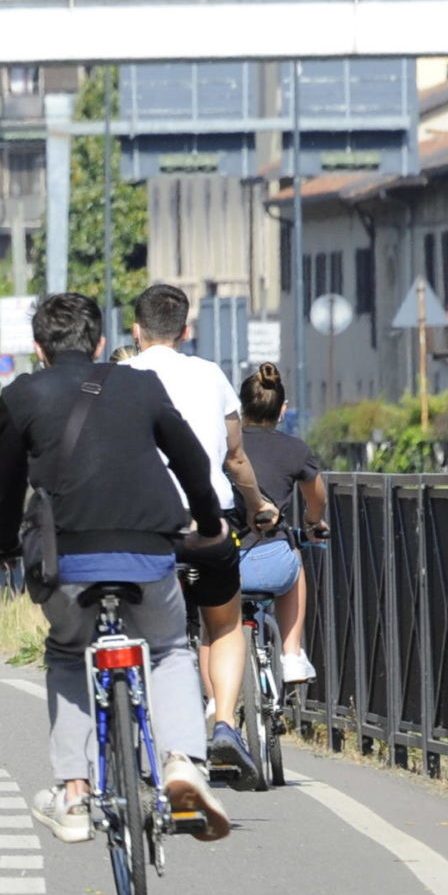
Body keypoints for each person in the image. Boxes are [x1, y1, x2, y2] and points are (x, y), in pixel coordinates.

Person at [0, 291, 229, 844]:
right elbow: (190, 456)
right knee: (168, 650)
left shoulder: (22, 394)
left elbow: (7, 484)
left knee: (69, 653)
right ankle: (183, 763)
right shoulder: (139, 384)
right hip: (148, 550)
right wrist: (210, 522)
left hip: (66, 559)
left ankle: (74, 793)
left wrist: (3, 543)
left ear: (38, 348)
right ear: (100, 343)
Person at [125, 282, 277, 780]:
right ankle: (225, 724)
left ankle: (150, 732)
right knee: (224, 623)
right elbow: (235, 457)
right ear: (186, 331)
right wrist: (258, 504)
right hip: (209, 526)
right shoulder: (211, 376)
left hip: (145, 528)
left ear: (136, 330)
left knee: (142, 627)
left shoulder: (120, 378)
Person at [237, 362, 328, 684]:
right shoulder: (295, 450)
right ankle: (291, 654)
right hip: (273, 560)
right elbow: (317, 497)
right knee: (294, 561)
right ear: (282, 410)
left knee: (215, 623)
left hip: (226, 561)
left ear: (241, 407)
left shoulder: (226, 447)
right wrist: (313, 522)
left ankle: (216, 702)